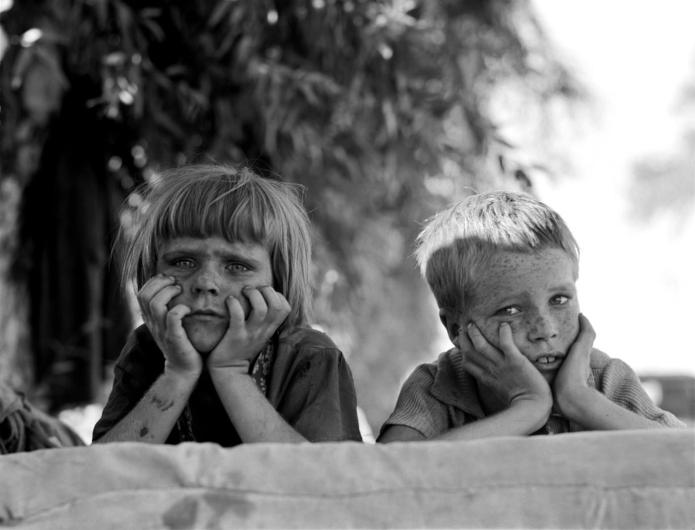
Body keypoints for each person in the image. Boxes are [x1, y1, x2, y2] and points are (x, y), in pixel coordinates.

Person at [378, 191, 685, 442]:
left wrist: (580, 400)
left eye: (560, 300)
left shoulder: (605, 378)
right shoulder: (438, 386)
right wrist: (528, 407)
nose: (545, 330)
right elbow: (388, 473)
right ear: (457, 329)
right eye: (511, 310)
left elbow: (686, 457)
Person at [93, 164, 362, 445]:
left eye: (237, 266)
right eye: (183, 262)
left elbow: (321, 482)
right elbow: (95, 478)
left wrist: (230, 371)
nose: (206, 282)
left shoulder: (310, 356)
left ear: (278, 283)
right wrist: (178, 373)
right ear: (151, 274)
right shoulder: (147, 350)